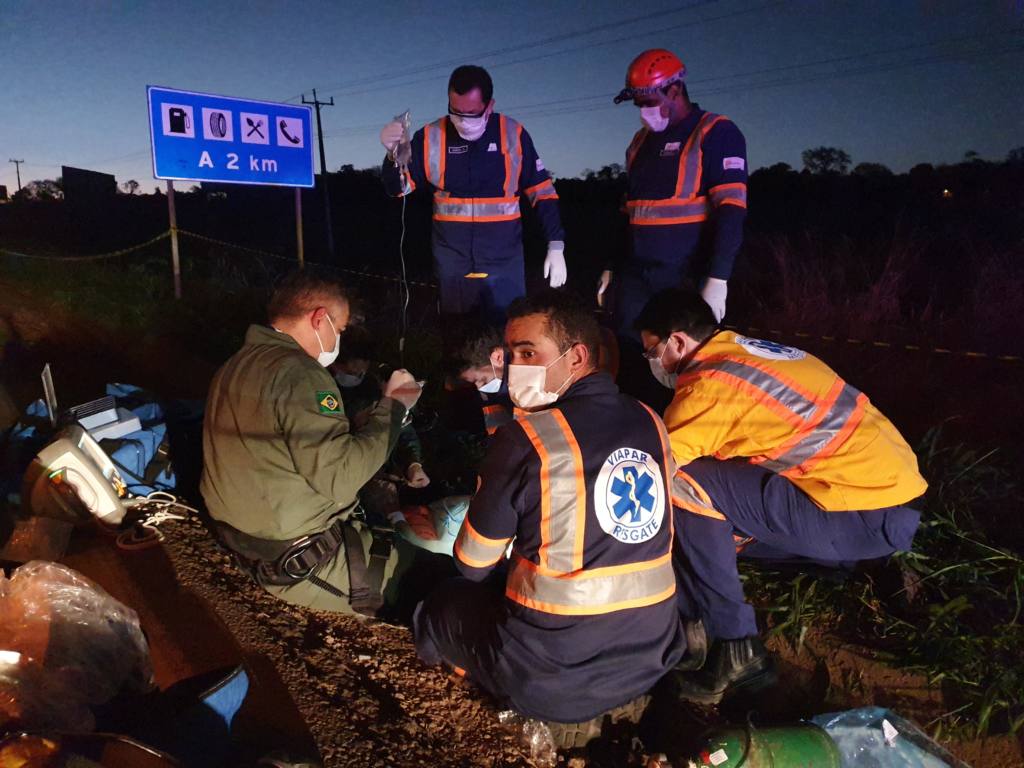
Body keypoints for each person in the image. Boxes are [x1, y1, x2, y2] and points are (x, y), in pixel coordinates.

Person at [414, 291, 686, 746]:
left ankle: (468, 676)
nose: (515, 367)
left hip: (551, 681)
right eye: (512, 354)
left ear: (577, 356)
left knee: (442, 602)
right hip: (652, 657)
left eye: (528, 353)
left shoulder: (526, 438)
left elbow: (473, 565)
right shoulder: (650, 419)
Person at [635, 288, 928, 704]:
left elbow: (652, 473)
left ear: (678, 341)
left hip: (859, 512)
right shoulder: (751, 352)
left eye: (651, 352)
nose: (652, 363)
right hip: (894, 499)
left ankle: (734, 644)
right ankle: (698, 624)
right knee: (711, 520)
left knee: (685, 488)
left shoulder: (708, 388)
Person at [200, 271, 434, 618]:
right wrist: (396, 405)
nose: (338, 339)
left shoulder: (235, 364)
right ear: (319, 319)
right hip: (297, 558)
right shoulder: (301, 374)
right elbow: (341, 478)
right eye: (338, 330)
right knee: (429, 576)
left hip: (242, 536)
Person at [600, 49, 747, 402]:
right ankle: (636, 430)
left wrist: (718, 278)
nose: (644, 111)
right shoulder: (639, 144)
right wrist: (610, 267)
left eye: (649, 101)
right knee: (632, 353)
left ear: (675, 90)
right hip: (637, 275)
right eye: (638, 104)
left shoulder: (715, 132)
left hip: (684, 275)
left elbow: (731, 210)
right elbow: (628, 212)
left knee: (684, 364)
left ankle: (682, 438)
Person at [380, 65, 567, 324]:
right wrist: (392, 155)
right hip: (452, 263)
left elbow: (542, 192)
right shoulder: (431, 137)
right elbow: (398, 189)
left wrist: (555, 244)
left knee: (508, 333)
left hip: (504, 262)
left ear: (489, 105)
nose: (464, 121)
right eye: (456, 112)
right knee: (458, 338)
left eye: (471, 113)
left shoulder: (513, 134)